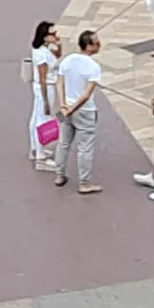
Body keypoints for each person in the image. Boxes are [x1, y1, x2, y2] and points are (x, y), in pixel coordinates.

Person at [55, 30, 102, 194]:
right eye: (96, 43)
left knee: (63, 143)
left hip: (66, 106)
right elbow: (86, 94)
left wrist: (63, 105)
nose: (99, 45)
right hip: (85, 110)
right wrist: (73, 107)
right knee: (85, 147)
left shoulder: (67, 61)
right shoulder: (94, 67)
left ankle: (59, 175)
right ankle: (85, 182)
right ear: (89, 46)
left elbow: (59, 83)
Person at [29, 21, 62, 171]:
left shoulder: (42, 49)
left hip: (42, 86)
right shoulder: (42, 54)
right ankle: (40, 157)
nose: (56, 36)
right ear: (45, 36)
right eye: (53, 34)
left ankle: (35, 148)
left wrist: (58, 45)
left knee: (36, 117)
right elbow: (43, 78)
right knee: (43, 119)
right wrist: (46, 101)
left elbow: (57, 55)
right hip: (46, 87)